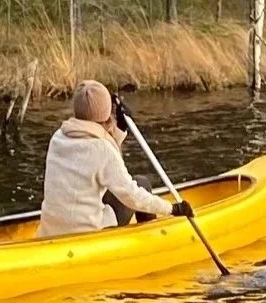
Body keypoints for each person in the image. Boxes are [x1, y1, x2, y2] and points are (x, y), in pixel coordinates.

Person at [37, 80, 192, 237]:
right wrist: (172, 208)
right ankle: (151, 238)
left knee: (108, 187)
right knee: (142, 184)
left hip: (50, 230)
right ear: (106, 112)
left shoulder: (58, 137)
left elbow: (95, 158)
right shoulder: (103, 149)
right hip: (87, 233)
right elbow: (132, 196)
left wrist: (120, 129)